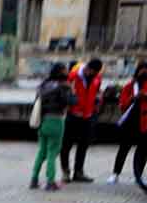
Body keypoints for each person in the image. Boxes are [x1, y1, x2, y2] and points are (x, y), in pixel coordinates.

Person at [108, 61, 147, 190]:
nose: (145, 72)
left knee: (143, 149)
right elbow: (122, 104)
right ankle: (115, 173)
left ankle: (138, 175)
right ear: (137, 71)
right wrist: (133, 98)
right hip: (131, 121)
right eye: (142, 69)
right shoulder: (130, 86)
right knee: (124, 148)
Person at [31, 62, 72, 191]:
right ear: (61, 72)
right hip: (56, 121)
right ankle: (50, 182)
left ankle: (34, 179)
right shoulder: (63, 86)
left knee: (41, 151)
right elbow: (70, 101)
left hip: (42, 121)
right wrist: (73, 92)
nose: (68, 71)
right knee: (52, 152)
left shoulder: (43, 85)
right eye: (65, 70)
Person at [60, 58, 103, 182]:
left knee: (83, 145)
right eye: (91, 73)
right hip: (72, 115)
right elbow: (63, 95)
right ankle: (65, 172)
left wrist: (97, 103)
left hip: (88, 116)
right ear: (87, 68)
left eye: (95, 74)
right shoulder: (72, 77)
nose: (92, 76)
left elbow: (97, 93)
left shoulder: (97, 78)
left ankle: (78, 172)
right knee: (66, 145)